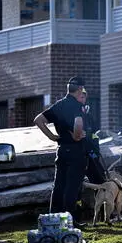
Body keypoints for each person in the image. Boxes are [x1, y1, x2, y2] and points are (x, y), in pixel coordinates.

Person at [34, 77, 87, 227]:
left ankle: (53, 220)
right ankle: (69, 222)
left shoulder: (59, 105)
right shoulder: (77, 105)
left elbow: (38, 120)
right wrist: (77, 136)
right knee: (72, 186)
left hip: (62, 149)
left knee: (59, 185)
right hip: (75, 151)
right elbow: (78, 123)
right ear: (79, 90)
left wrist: (53, 137)